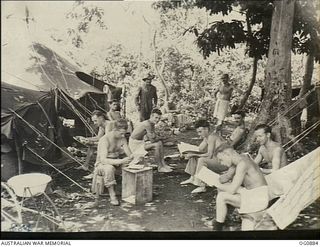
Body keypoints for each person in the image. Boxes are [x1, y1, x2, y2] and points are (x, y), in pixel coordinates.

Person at [212, 143, 269, 231]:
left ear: (227, 154)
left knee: (222, 196)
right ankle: (224, 220)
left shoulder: (242, 164)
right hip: (254, 193)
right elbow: (226, 178)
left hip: (258, 198)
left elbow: (232, 190)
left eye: (221, 160)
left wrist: (216, 184)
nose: (221, 163)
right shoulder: (241, 158)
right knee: (223, 189)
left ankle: (218, 227)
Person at [90, 119, 134, 207]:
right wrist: (121, 161)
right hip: (102, 165)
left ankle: (132, 190)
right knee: (109, 168)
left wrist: (134, 157)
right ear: (114, 130)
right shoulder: (105, 139)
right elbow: (103, 160)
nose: (123, 135)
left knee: (132, 165)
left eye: (124, 133)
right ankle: (112, 195)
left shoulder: (122, 138)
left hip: (116, 162)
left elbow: (129, 154)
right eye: (121, 133)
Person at [180, 120, 226, 194]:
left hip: (224, 163)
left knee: (201, 160)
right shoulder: (207, 137)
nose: (199, 134)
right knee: (194, 155)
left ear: (206, 129)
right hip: (216, 159)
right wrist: (187, 152)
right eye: (198, 132)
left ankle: (201, 185)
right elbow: (200, 149)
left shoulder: (212, 137)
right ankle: (192, 178)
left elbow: (209, 155)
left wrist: (194, 154)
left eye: (200, 132)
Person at [129, 109, 172, 173]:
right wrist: (164, 138)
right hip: (134, 144)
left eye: (159, 118)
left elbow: (154, 136)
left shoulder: (152, 124)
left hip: (141, 143)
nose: (157, 120)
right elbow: (152, 140)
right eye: (156, 117)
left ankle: (163, 164)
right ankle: (159, 167)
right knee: (157, 145)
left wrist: (162, 138)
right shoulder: (147, 124)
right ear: (151, 116)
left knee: (159, 143)